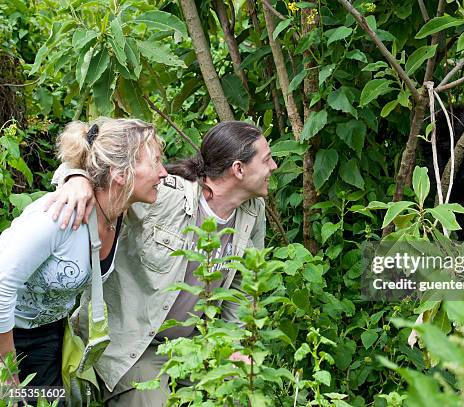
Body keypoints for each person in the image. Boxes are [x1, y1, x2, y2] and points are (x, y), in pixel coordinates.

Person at [47, 121, 277, 405]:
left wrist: (237, 345)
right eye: (267, 159)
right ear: (238, 169)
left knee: (243, 392)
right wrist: (77, 178)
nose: (274, 166)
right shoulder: (164, 195)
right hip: (135, 346)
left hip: (196, 342)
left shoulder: (252, 212)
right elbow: (103, 168)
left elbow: (241, 290)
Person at [0, 118, 167, 388]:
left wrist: (76, 174)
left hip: (47, 334)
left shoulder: (120, 210)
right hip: (5, 332)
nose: (164, 172)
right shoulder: (60, 215)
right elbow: (1, 284)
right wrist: (8, 373)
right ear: (121, 174)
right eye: (155, 161)